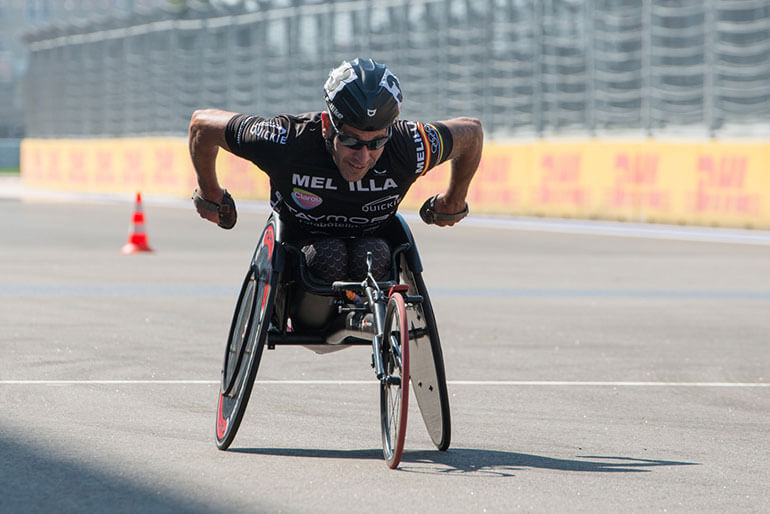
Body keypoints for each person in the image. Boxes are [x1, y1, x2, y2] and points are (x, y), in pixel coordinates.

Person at [189, 58, 483, 283]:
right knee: (330, 256)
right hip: (300, 247)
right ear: (329, 126)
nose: (362, 157)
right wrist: (209, 191)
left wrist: (454, 200)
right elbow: (202, 124)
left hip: (373, 249)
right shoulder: (284, 140)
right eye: (352, 141)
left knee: (374, 254)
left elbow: (471, 133)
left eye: (376, 143)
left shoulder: (409, 145)